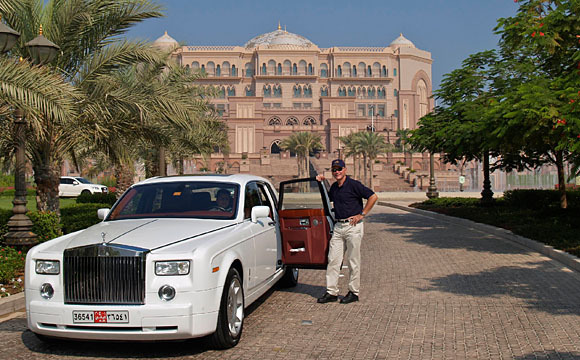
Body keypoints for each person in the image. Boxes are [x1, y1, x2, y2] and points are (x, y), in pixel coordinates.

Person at [315, 159, 378, 304]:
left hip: (352, 226)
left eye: (339, 169)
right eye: (334, 170)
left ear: (345, 170)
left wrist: (362, 214)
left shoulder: (354, 185)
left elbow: (373, 196)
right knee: (333, 260)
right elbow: (327, 198)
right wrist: (321, 182)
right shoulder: (335, 188)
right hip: (338, 227)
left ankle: (353, 292)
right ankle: (331, 292)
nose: (337, 172)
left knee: (353, 261)